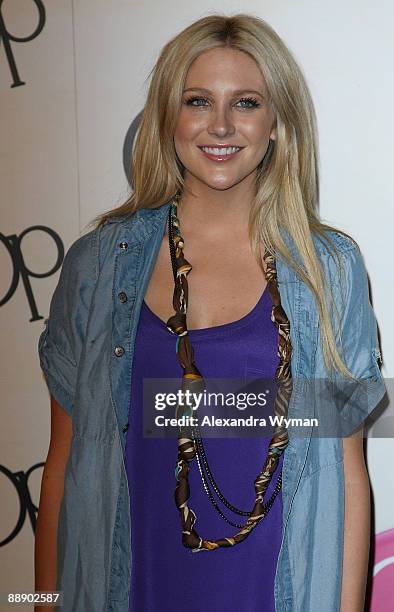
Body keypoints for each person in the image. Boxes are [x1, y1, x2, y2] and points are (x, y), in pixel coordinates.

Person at [35, 13, 386, 612]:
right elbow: (63, 466)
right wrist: (36, 604)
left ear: (277, 123)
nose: (220, 125)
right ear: (168, 117)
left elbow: (348, 475)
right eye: (198, 101)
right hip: (128, 589)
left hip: (279, 594)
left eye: (246, 102)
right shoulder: (97, 267)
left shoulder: (329, 269)